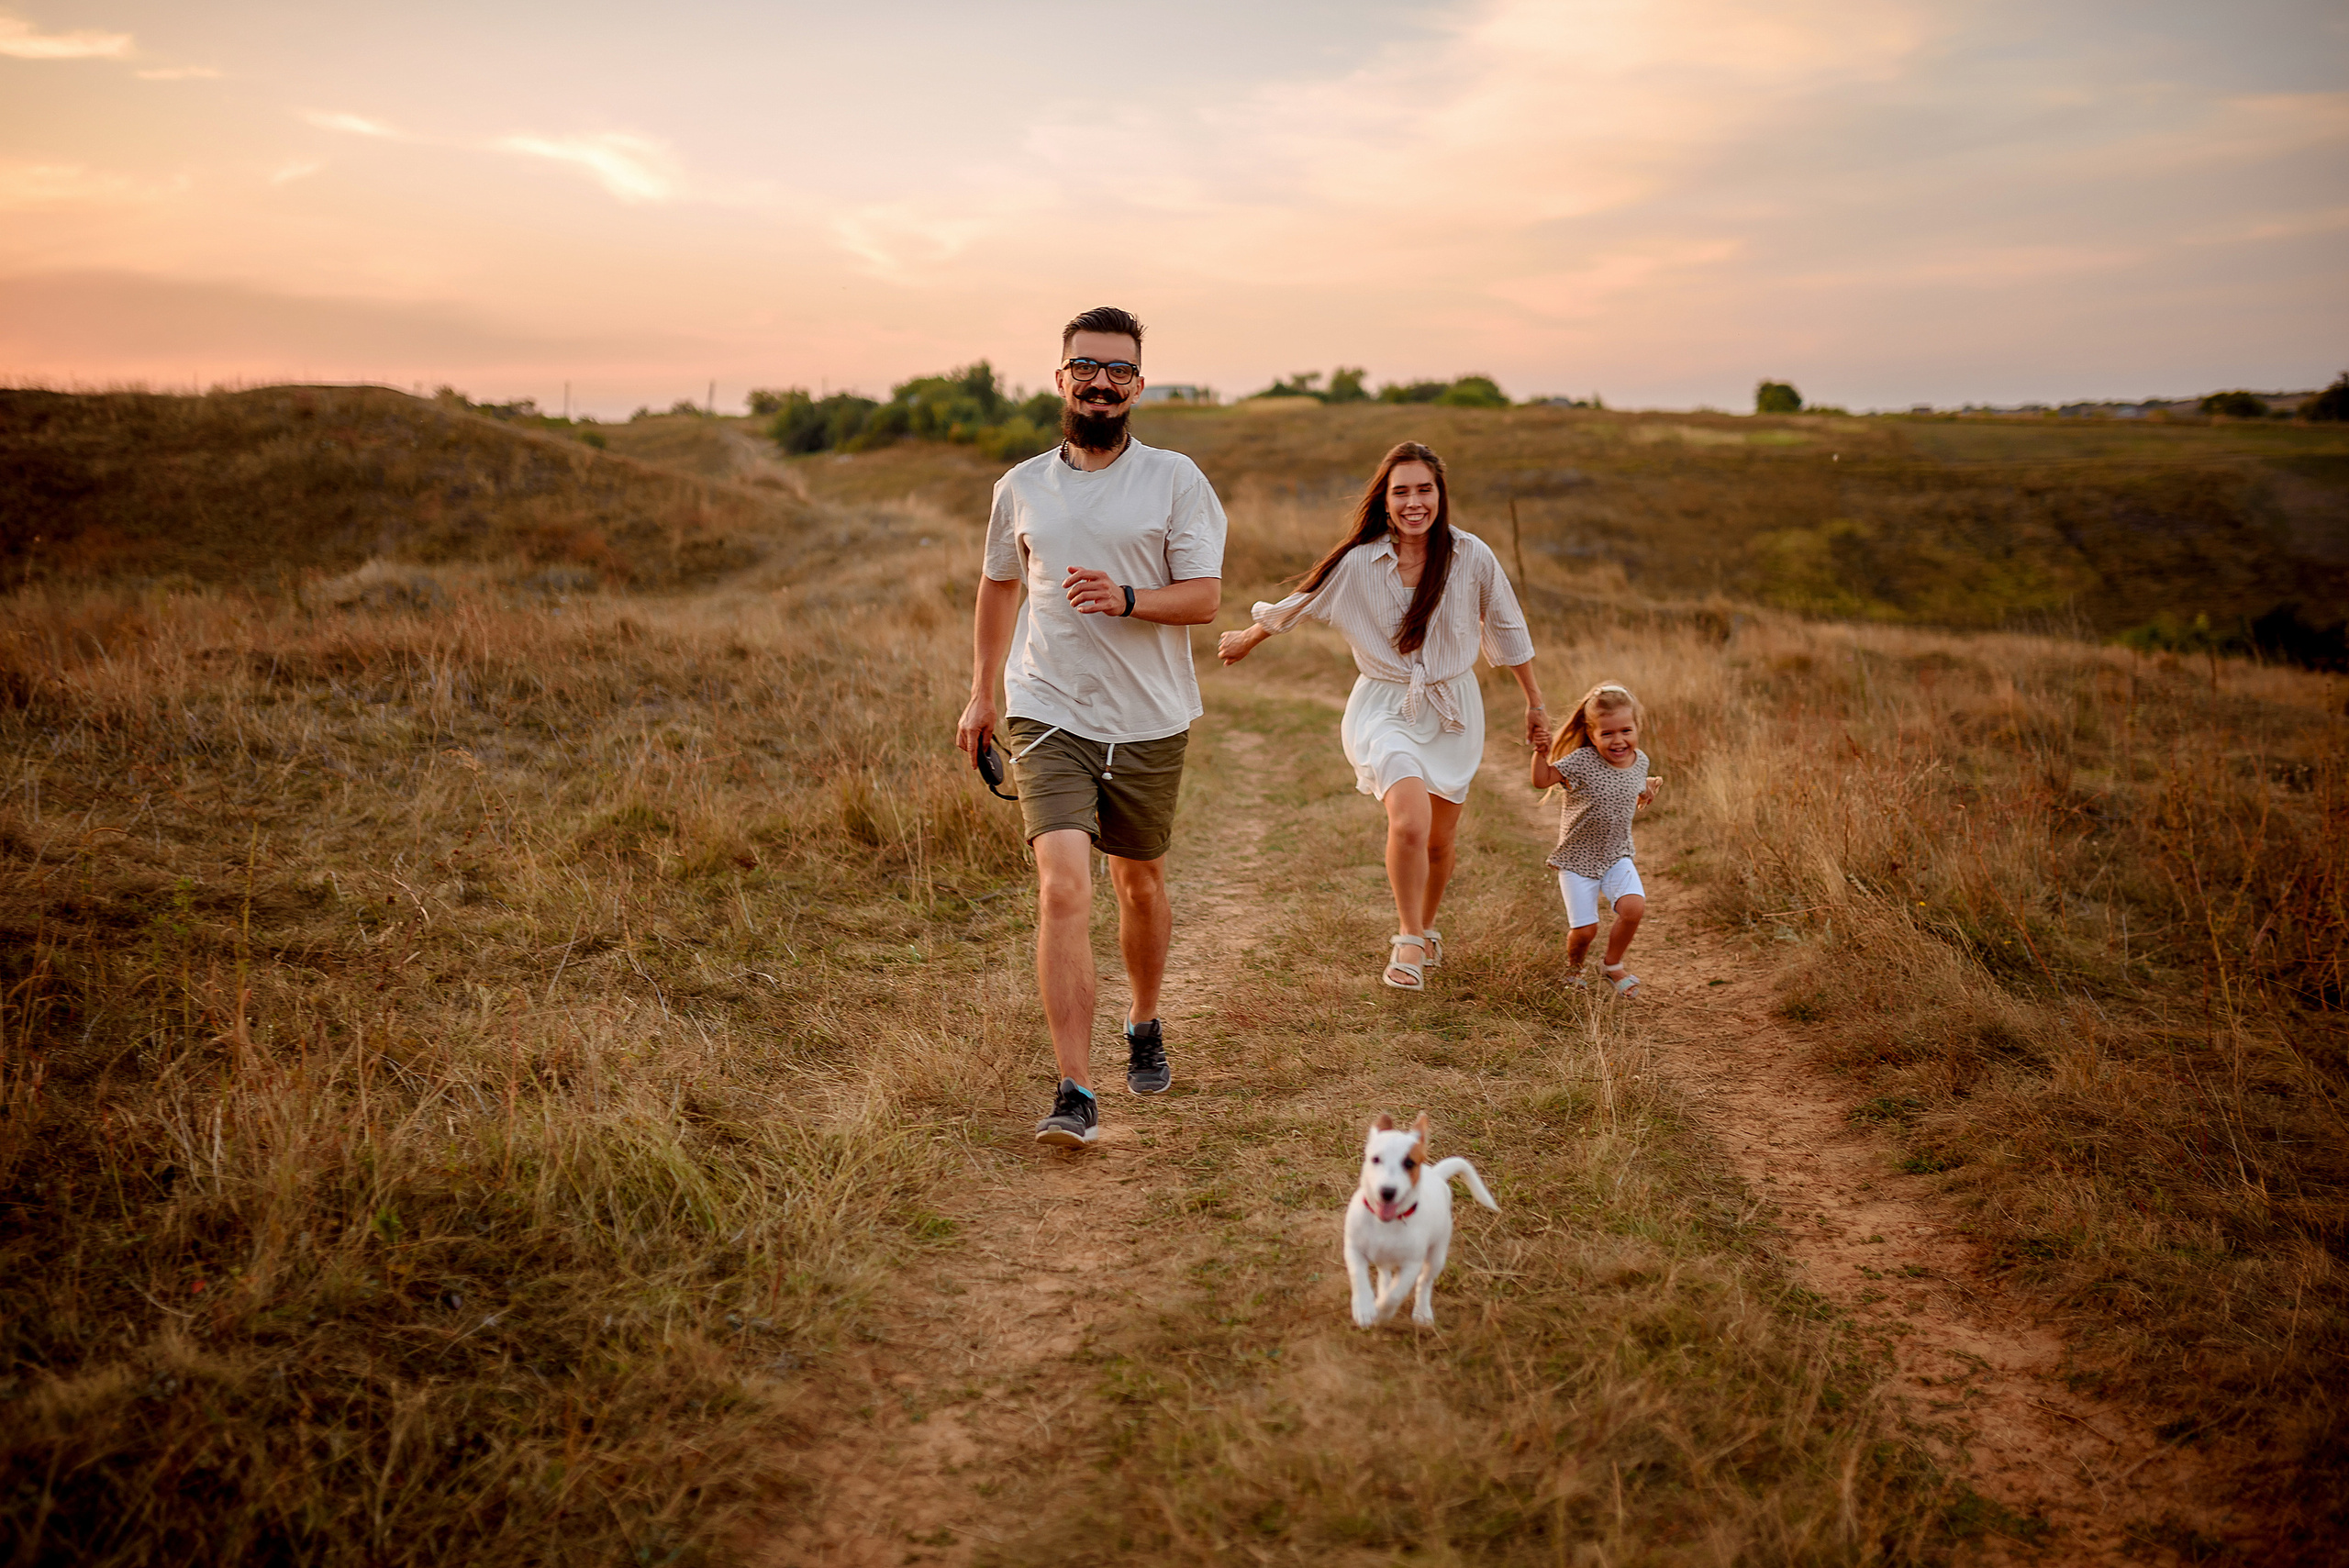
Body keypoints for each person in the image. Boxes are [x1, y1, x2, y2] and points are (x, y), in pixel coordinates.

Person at [955, 306, 1227, 1149]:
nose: (1100, 381)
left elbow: (1207, 597)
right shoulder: (1021, 486)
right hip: (1049, 709)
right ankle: (1075, 1088)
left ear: (1137, 385)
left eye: (1117, 369)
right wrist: (982, 692)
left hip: (1147, 715)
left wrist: (1129, 599)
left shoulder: (1176, 479)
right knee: (1063, 885)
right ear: (1061, 375)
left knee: (1137, 881)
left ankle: (1143, 1019)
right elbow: (1001, 584)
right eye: (1086, 366)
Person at [1218, 441, 1544, 989]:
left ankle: (1427, 927)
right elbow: (1302, 600)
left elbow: (1508, 629)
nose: (1414, 502)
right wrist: (1249, 637)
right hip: (1384, 706)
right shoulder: (1359, 561)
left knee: (1440, 841)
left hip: (1453, 708)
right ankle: (1409, 937)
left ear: (1440, 494)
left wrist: (1535, 703)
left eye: (1424, 489)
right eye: (1402, 492)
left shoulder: (1471, 556)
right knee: (1410, 821)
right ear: (1385, 500)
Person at [1531, 682, 1662, 995]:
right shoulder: (1581, 762)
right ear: (1591, 734)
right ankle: (1574, 970)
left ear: (1636, 728)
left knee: (1634, 908)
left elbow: (1632, 782)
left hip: (1617, 854)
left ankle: (1612, 964)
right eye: (1607, 734)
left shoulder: (1639, 760)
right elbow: (1541, 780)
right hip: (1576, 859)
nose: (1619, 740)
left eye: (1626, 731)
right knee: (1585, 930)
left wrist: (1649, 787)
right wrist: (1541, 752)